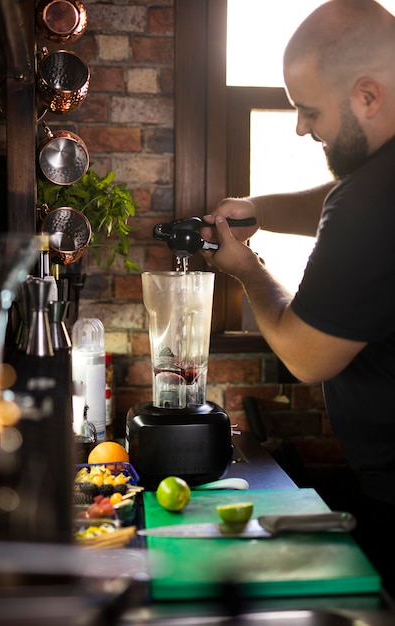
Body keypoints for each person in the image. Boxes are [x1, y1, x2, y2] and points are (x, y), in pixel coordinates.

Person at [202, 0, 395, 595]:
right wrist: (260, 210)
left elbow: (307, 356)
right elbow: (342, 197)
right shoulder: (376, 178)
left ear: (367, 95)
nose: (300, 127)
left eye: (310, 111)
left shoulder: (374, 198)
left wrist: (248, 272)